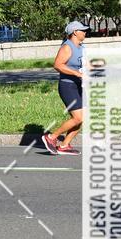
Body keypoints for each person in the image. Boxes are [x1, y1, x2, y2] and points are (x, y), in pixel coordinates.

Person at [42, 20, 88, 156]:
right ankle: (51, 137)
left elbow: (85, 64)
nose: (85, 32)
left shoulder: (82, 47)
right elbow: (58, 65)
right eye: (83, 30)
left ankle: (64, 145)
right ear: (75, 32)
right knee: (78, 117)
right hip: (68, 86)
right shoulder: (67, 47)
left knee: (82, 117)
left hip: (79, 85)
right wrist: (77, 73)